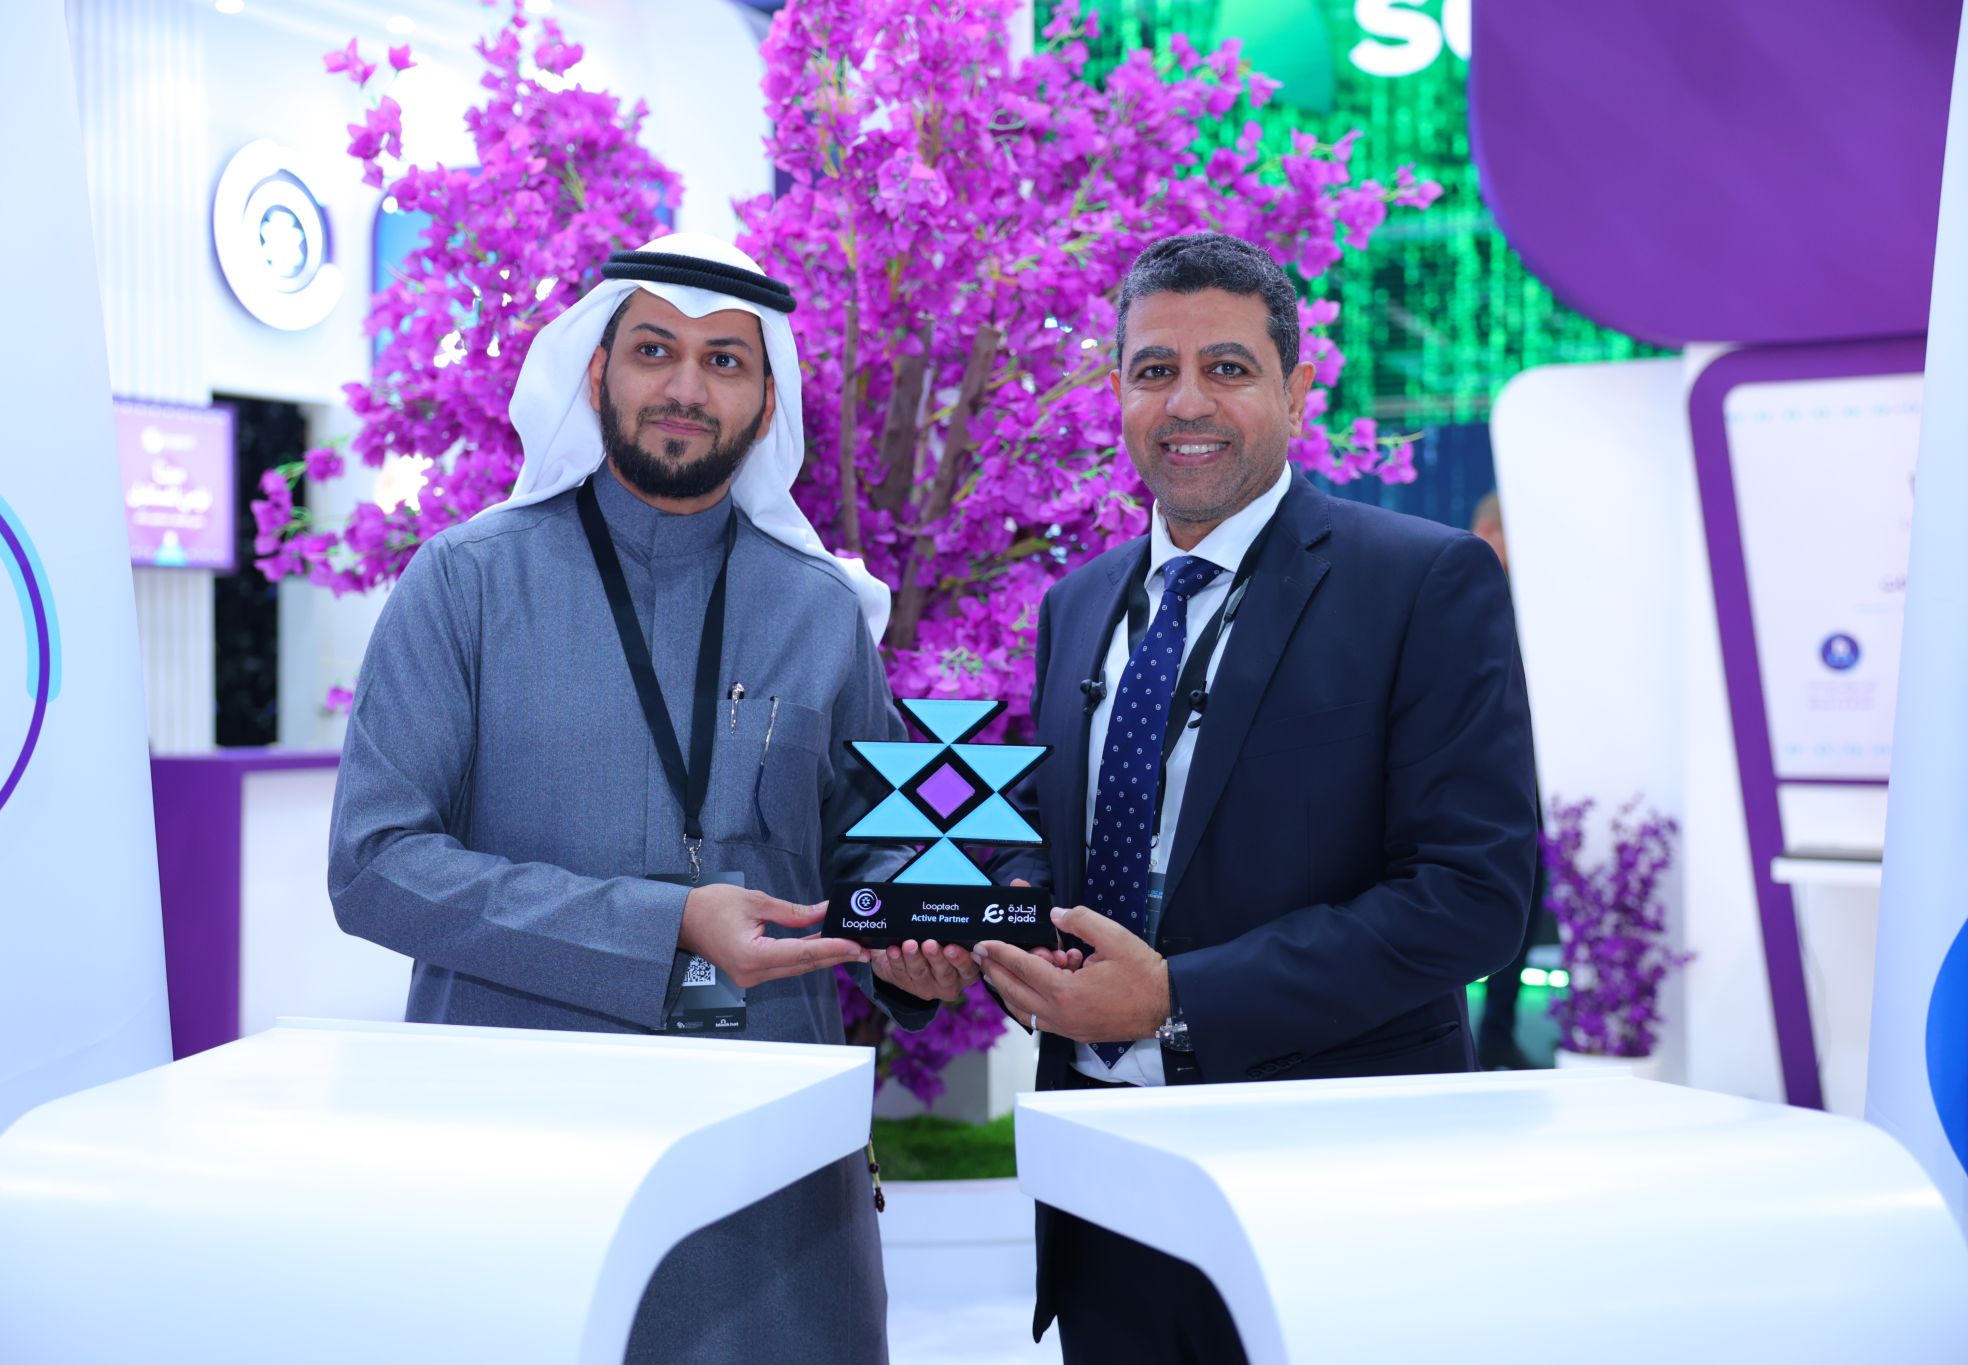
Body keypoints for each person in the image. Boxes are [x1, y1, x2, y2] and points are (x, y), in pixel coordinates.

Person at [329, 233, 978, 1364]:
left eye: (724, 360)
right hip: (519, 1150)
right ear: (597, 373)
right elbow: (375, 865)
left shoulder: (821, 610)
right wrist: (664, 924)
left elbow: (869, 852)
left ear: (766, 401)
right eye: (653, 351)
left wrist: (910, 944)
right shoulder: (465, 584)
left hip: (772, 1181)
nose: (686, 386)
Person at [979, 232, 1539, 1362]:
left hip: (1330, 1187)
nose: (1187, 402)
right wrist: (976, 927)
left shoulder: (1421, 582)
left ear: (1296, 388)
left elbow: (1470, 899)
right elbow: (1056, 841)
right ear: (1117, 391)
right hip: (1105, 1192)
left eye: (1226, 368)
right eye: (1154, 370)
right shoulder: (1075, 605)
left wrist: (1175, 998)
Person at [1469, 489, 1550, 1070]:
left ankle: (1498, 1032)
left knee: (1519, 911)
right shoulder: (1452, 592)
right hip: (1467, 783)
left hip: (1527, 782)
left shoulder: (1535, 604)